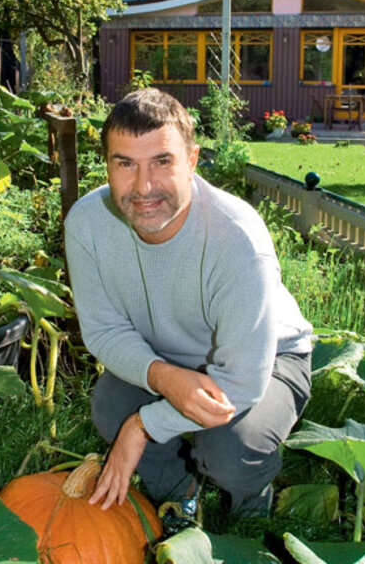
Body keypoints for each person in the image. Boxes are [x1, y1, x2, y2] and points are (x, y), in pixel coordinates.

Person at [64, 88, 313, 519]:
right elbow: (104, 331)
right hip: (165, 358)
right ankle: (181, 496)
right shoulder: (87, 223)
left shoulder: (237, 240)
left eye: (162, 161)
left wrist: (143, 426)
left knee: (231, 448)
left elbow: (242, 382)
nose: (143, 187)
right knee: (109, 406)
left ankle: (249, 509)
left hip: (265, 361)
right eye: (125, 164)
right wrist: (164, 379)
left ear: (193, 160)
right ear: (107, 165)